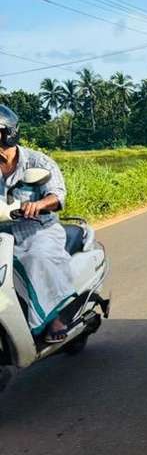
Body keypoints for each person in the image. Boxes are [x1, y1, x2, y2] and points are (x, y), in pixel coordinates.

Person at [0, 104, 75, 344]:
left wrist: (39, 204)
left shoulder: (38, 162)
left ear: (8, 133)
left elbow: (57, 196)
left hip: (39, 230)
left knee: (36, 258)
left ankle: (53, 319)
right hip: (4, 234)